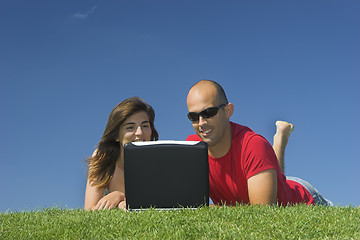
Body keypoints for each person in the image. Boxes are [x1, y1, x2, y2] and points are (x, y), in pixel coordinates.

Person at [186, 80, 332, 206]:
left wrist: (205, 208)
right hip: (268, 176)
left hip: (301, 195)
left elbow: (261, 216)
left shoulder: (253, 145)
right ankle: (280, 138)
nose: (201, 123)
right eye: (193, 116)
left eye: (208, 113)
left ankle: (280, 140)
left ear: (228, 111)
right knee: (274, 175)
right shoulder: (191, 150)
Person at [84, 97, 158, 210]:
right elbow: (89, 210)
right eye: (130, 127)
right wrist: (117, 195)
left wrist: (121, 199)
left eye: (145, 125)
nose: (139, 132)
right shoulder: (102, 157)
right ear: (117, 136)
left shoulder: (159, 160)